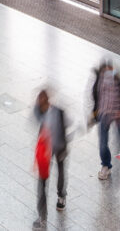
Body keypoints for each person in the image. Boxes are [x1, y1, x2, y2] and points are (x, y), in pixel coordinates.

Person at [90, 60, 120, 181]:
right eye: (105, 73)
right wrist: (95, 113)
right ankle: (106, 165)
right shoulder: (98, 83)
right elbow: (95, 98)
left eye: (110, 72)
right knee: (103, 144)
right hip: (104, 114)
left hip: (119, 115)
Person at [33, 89, 69, 228]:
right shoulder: (40, 112)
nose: (38, 106)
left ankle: (61, 195)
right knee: (41, 183)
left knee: (60, 172)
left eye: (40, 103)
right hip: (45, 151)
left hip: (59, 148)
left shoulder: (58, 112)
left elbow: (67, 124)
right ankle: (42, 216)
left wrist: (63, 145)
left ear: (46, 102)